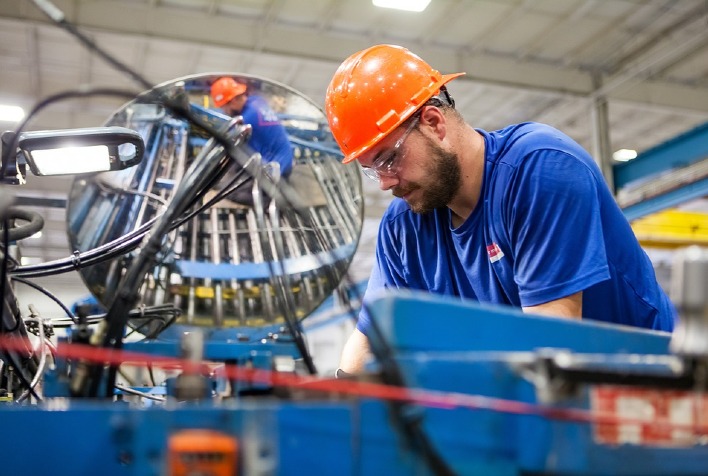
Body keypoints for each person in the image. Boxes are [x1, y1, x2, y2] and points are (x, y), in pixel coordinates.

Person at [325, 44, 677, 374]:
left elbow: (550, 343)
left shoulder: (540, 169)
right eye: (373, 170)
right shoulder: (404, 227)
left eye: (389, 158)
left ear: (434, 123)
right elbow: (370, 340)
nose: (385, 182)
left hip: (647, 389)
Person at [210, 77, 293, 205]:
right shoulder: (256, 101)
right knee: (235, 167)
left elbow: (232, 147)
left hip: (276, 170)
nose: (224, 111)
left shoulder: (246, 121)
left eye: (224, 107)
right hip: (285, 159)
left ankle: (274, 201)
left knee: (228, 192)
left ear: (233, 101)